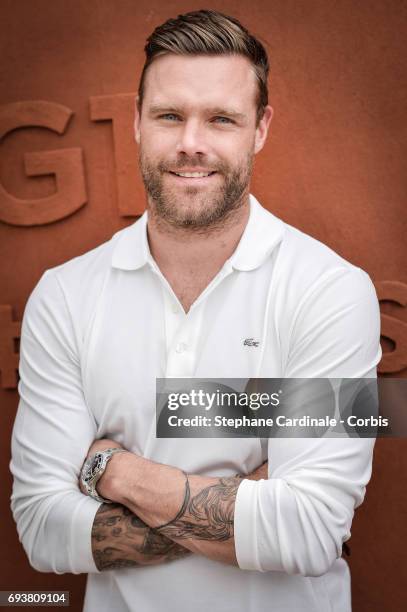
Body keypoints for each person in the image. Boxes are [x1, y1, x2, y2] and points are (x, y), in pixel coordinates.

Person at [10, 9, 382, 612]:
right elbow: (41, 530)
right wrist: (250, 505)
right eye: (168, 115)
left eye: (221, 119)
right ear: (135, 122)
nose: (191, 142)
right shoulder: (64, 295)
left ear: (260, 128)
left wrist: (114, 470)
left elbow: (314, 530)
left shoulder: (334, 290)